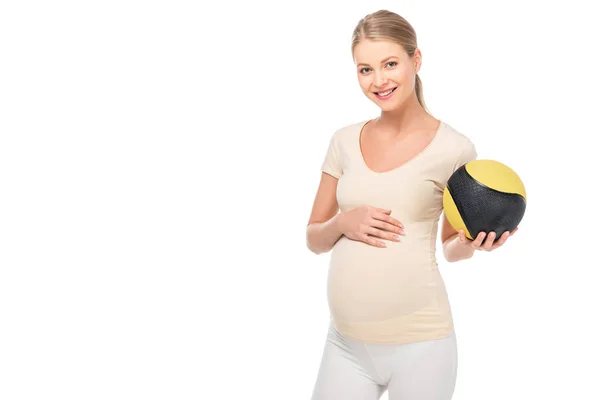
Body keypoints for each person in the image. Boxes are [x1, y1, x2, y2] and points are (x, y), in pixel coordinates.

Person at [305, 9, 518, 400]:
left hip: (422, 346)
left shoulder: (455, 148)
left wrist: (472, 243)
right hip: (345, 345)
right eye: (365, 69)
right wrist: (342, 223)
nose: (379, 80)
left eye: (390, 64)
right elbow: (313, 238)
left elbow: (451, 249)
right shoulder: (343, 141)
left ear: (415, 60)